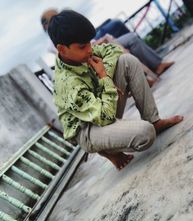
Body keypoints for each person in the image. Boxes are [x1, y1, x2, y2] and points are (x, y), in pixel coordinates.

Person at [48, 10, 184, 170]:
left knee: (127, 61)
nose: (90, 50)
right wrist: (104, 77)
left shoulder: (82, 53)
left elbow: (114, 50)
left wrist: (105, 75)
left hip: (103, 107)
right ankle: (106, 149)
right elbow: (105, 117)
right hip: (88, 129)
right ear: (62, 49)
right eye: (83, 46)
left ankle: (154, 121)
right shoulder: (67, 84)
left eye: (90, 43)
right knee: (145, 134)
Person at [41, 9, 175, 81]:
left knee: (127, 39)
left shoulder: (66, 29)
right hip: (95, 52)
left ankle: (153, 68)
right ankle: (146, 75)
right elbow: (75, 53)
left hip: (96, 45)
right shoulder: (54, 42)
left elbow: (84, 44)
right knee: (124, 47)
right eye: (55, 17)